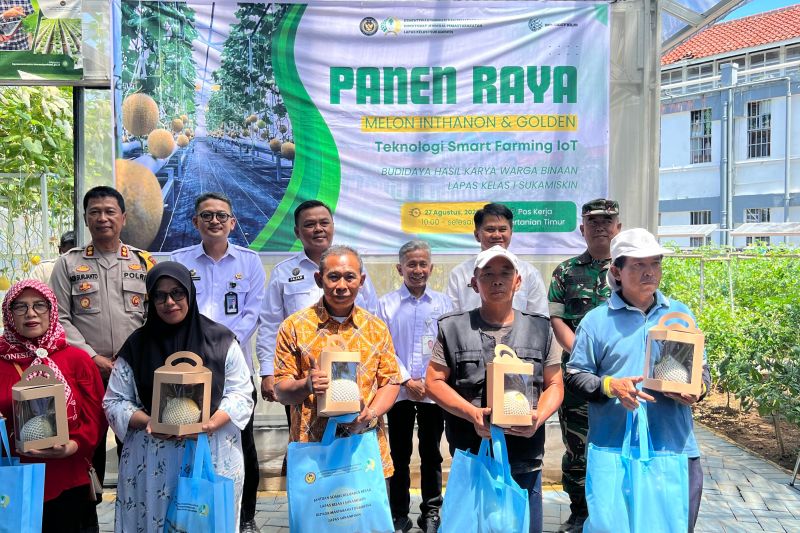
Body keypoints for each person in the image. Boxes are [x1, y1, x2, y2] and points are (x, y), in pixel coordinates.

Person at [565, 228, 711, 533]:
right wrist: (610, 386)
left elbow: (703, 373)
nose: (649, 272)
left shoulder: (679, 314)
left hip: (674, 449)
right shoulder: (596, 321)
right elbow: (575, 376)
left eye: (655, 263)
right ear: (617, 271)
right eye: (638, 265)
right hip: (613, 451)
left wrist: (697, 389)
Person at [103, 262, 254, 532]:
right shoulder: (137, 345)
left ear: (190, 293)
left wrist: (210, 424)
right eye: (159, 295)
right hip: (151, 460)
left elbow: (240, 393)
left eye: (177, 293)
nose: (169, 302)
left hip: (210, 453)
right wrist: (149, 421)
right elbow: (115, 401)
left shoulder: (220, 341)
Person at [426, 245, 564, 533]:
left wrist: (538, 416)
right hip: (472, 456)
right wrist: (471, 413)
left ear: (518, 281)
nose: (497, 280)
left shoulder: (541, 329)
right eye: (487, 274)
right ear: (474, 282)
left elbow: (555, 384)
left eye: (505, 273)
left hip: (524, 458)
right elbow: (434, 382)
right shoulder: (453, 328)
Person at [49, 185, 155, 531]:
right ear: (85, 218)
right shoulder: (69, 264)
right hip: (85, 374)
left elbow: (156, 316)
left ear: (123, 218)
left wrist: (127, 361)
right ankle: (86, 523)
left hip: (134, 372)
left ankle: (140, 517)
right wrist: (92, 356)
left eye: (110, 211)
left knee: (138, 445)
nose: (103, 218)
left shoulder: (144, 262)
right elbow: (60, 318)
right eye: (95, 211)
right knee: (86, 448)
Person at [171, 192, 265, 533]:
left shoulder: (249, 262)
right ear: (195, 221)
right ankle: (188, 510)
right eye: (207, 215)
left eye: (221, 216)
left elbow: (253, 313)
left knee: (243, 442)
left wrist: (219, 347)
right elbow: (172, 307)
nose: (214, 221)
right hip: (187, 369)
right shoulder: (181, 261)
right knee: (188, 436)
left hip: (234, 366)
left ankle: (247, 516)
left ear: (232, 223)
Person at [273, 245, 401, 481]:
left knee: (367, 518)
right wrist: (306, 386)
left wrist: (371, 413)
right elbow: (281, 391)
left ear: (361, 281)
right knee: (314, 518)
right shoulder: (294, 327)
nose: (341, 285)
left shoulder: (377, 328)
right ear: (318, 279)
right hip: (313, 451)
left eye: (349, 277)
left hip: (363, 446)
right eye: (333, 277)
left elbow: (391, 382)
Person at [0, 280, 105, 533]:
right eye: (20, 306)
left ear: (52, 309)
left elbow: (97, 416)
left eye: (39, 305)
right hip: (13, 480)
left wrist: (75, 444)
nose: (31, 313)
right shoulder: (1, 362)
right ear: (8, 313)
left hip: (68, 476)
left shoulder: (77, 359)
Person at [547, 198, 621, 533]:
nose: (601, 227)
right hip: (577, 376)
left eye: (608, 221)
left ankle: (613, 513)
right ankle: (579, 512)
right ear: (582, 229)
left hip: (621, 378)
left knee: (618, 448)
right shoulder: (565, 271)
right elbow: (556, 319)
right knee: (577, 449)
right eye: (593, 222)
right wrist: (585, 353)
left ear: (618, 227)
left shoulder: (628, 270)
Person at [377, 240, 452, 533]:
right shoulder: (386, 304)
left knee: (432, 453)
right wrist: (408, 379)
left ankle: (431, 512)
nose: (417, 270)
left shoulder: (444, 304)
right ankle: (398, 513)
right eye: (411, 264)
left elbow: (446, 347)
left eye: (423, 264)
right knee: (399, 454)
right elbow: (383, 348)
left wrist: (430, 382)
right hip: (399, 392)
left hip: (434, 393)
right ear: (400, 268)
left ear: (431, 268)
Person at [447, 202, 548, 316]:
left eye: (502, 229)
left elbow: (539, 319)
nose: (497, 235)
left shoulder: (529, 272)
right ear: (476, 235)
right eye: (490, 229)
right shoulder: (459, 273)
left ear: (511, 233)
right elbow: (451, 319)